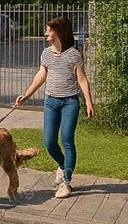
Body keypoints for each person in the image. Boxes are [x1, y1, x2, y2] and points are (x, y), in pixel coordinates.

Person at [16, 16, 95, 199]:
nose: (46, 33)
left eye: (49, 30)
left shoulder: (74, 54)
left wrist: (89, 102)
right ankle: (62, 165)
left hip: (70, 102)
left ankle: (66, 182)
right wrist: (26, 95)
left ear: (58, 32)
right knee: (49, 142)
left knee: (67, 140)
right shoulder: (46, 53)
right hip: (51, 101)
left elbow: (82, 79)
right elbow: (41, 75)